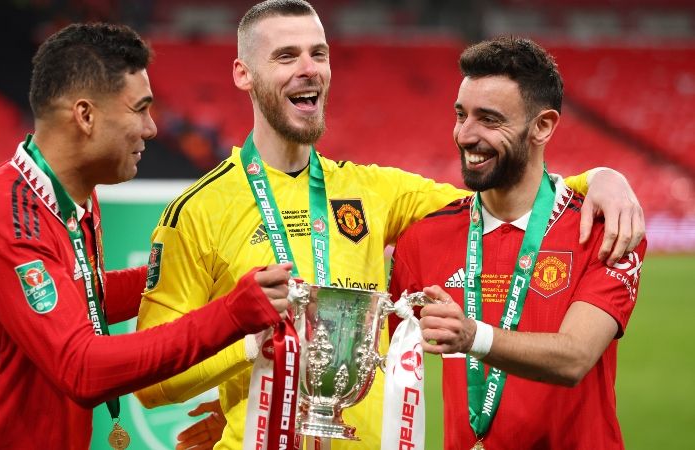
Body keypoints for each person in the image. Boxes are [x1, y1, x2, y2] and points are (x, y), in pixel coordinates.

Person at [135, 1, 645, 449]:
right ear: (243, 74)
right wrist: (251, 356)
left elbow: (506, 196)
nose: (309, 69)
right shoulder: (196, 211)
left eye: (320, 53)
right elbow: (152, 381)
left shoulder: (377, 193)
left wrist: (598, 178)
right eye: (286, 56)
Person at [0, 23, 295, 450]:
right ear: (85, 116)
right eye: (140, 109)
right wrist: (231, 314)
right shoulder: (6, 218)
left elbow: (86, 295)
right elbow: (81, 368)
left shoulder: (71, 199)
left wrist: (199, 270)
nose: (152, 129)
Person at [389, 37, 646, 449]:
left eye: (489, 120)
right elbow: (376, 360)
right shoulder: (423, 239)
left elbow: (575, 357)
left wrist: (473, 336)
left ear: (542, 126)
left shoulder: (605, 228)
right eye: (461, 115)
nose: (465, 135)